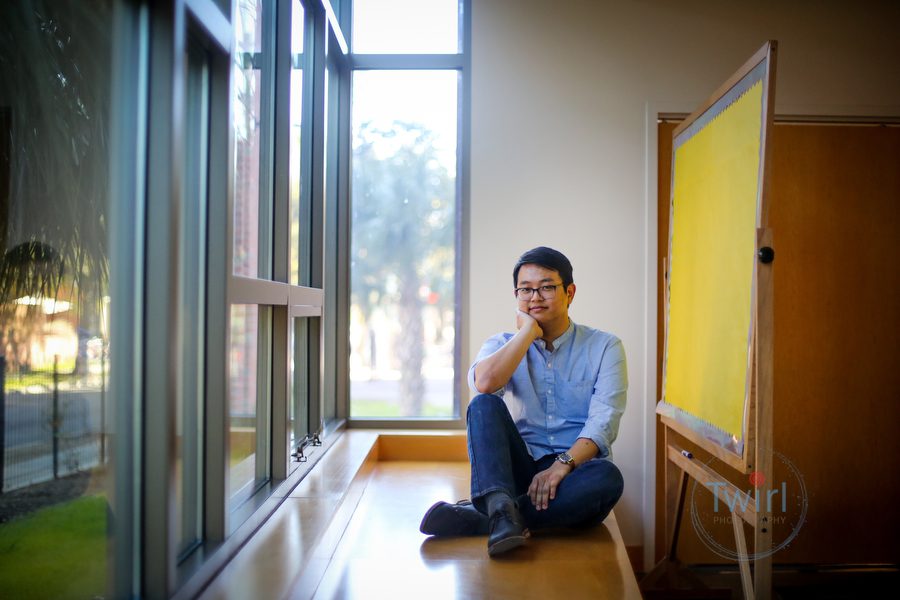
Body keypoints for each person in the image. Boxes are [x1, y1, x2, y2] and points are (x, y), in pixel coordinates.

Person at [419, 246, 627, 556]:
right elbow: (484, 385)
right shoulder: (503, 344)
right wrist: (528, 334)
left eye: (546, 287)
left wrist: (562, 466)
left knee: (607, 478)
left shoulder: (605, 346)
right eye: (525, 290)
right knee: (483, 405)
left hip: (574, 472)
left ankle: (492, 517)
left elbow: (604, 421)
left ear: (569, 292)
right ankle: (502, 508)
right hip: (519, 471)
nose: (535, 297)